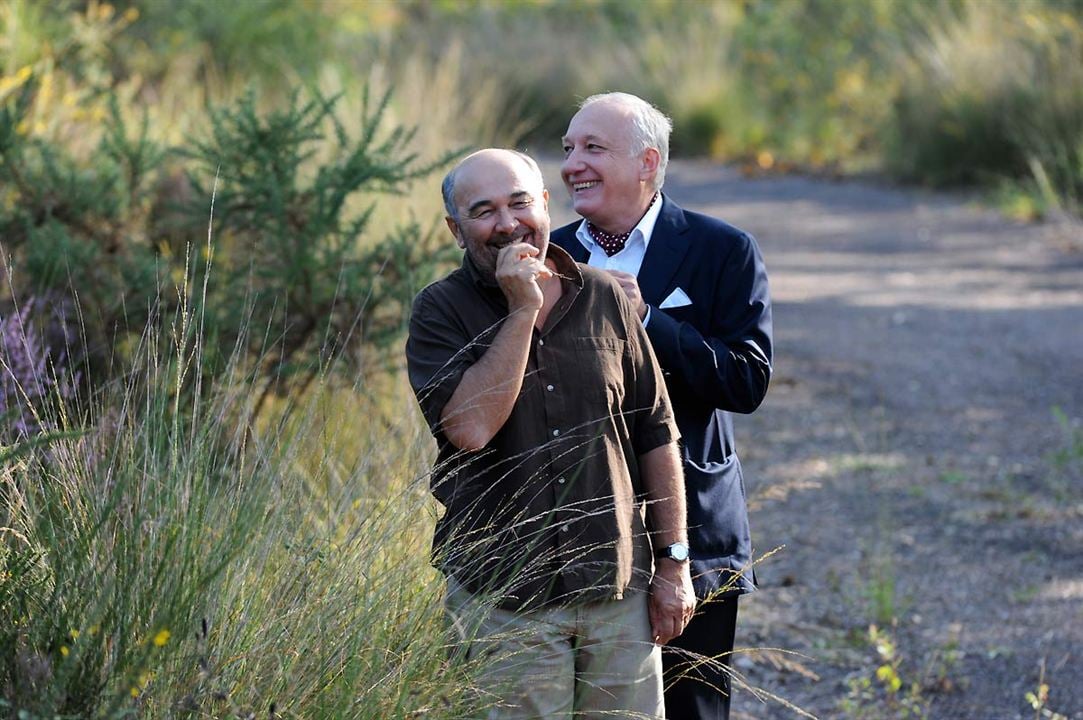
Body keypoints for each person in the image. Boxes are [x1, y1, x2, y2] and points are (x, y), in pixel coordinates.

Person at [405, 148, 696, 718]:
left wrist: (674, 565)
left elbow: (656, 436)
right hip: (506, 597)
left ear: (545, 203)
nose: (507, 223)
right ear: (456, 230)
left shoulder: (606, 297)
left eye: (519, 202)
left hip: (617, 592)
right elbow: (469, 429)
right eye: (484, 211)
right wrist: (521, 310)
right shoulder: (439, 310)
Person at [552, 93, 773, 719]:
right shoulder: (550, 256)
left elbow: (747, 382)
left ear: (648, 161)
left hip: (694, 529)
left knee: (690, 709)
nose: (572, 164)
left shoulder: (722, 250)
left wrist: (646, 318)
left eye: (593, 148)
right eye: (569, 148)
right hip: (573, 528)